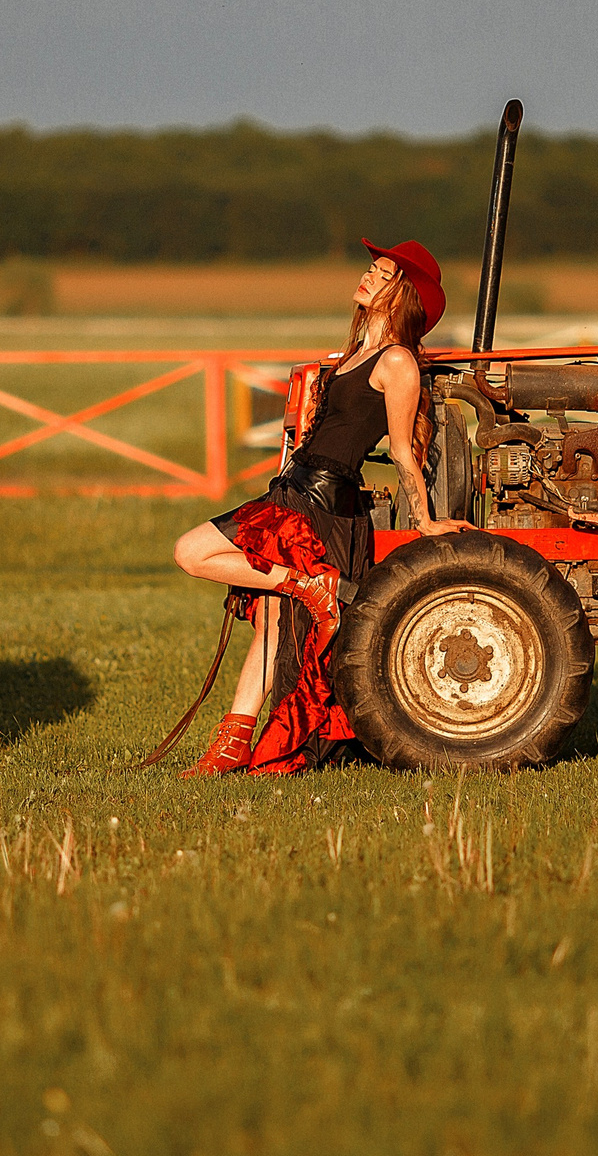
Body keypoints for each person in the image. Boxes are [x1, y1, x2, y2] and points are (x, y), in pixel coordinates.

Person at [169, 238, 469, 773]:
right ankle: (230, 746)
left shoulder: (397, 362)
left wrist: (423, 520)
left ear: (402, 294)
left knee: (191, 552)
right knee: (273, 628)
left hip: (323, 505)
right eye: (370, 270)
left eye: (382, 276)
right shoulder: (352, 353)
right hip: (292, 489)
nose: (368, 279)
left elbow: (402, 449)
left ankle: (309, 586)